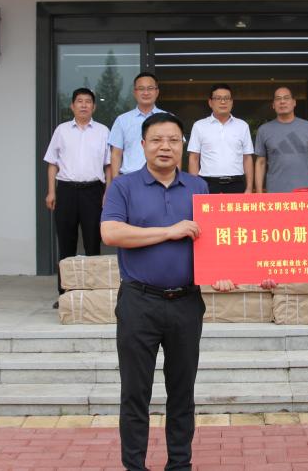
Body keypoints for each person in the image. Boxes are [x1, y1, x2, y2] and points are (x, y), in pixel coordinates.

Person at [100, 112, 211, 471]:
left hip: (186, 303)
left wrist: (226, 272)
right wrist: (169, 231)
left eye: (173, 140)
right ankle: (135, 465)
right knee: (135, 393)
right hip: (139, 302)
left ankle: (180, 464)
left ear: (183, 145)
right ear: (143, 145)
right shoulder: (123, 186)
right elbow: (111, 233)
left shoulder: (198, 186)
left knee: (182, 392)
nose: (166, 147)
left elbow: (212, 241)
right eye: (157, 140)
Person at [43, 87, 110, 308]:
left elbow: (108, 166)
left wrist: (107, 192)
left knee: (93, 243)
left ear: (94, 106)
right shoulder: (62, 130)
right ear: (72, 106)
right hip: (66, 191)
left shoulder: (103, 131)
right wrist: (51, 191)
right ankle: (65, 294)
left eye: (88, 101)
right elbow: (52, 163)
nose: (83, 105)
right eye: (79, 101)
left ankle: (92, 294)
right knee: (66, 244)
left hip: (93, 191)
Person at [254, 86, 308, 193]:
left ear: (294, 102)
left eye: (286, 98)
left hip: (304, 193)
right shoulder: (264, 130)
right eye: (278, 99)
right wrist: (259, 193)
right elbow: (260, 162)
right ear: (273, 105)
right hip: (275, 193)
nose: (282, 101)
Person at [187, 83, 255, 194]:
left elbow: (247, 158)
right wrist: (195, 188)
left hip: (236, 184)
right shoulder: (199, 126)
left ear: (232, 102)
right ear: (210, 102)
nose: (223, 102)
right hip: (207, 184)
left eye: (226, 98)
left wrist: (249, 188)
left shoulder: (242, 126)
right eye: (218, 98)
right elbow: (194, 158)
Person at [108, 72, 164, 177]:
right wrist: (116, 183)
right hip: (130, 178)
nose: (146, 92)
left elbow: (176, 152)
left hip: (161, 178)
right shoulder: (122, 120)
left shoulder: (168, 119)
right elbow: (116, 154)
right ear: (135, 92)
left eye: (150, 88)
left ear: (157, 92)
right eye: (141, 89)